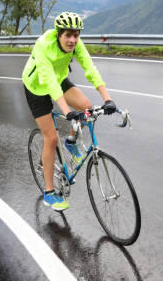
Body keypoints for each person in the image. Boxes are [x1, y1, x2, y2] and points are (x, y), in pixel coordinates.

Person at [22, 11, 116, 211]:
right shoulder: (43, 45)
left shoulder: (76, 44)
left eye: (76, 35)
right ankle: (49, 192)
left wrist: (107, 99)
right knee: (51, 138)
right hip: (37, 86)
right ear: (58, 34)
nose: (73, 40)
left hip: (59, 78)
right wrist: (67, 111)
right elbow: (49, 82)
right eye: (68, 35)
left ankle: (72, 141)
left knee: (87, 108)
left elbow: (90, 69)